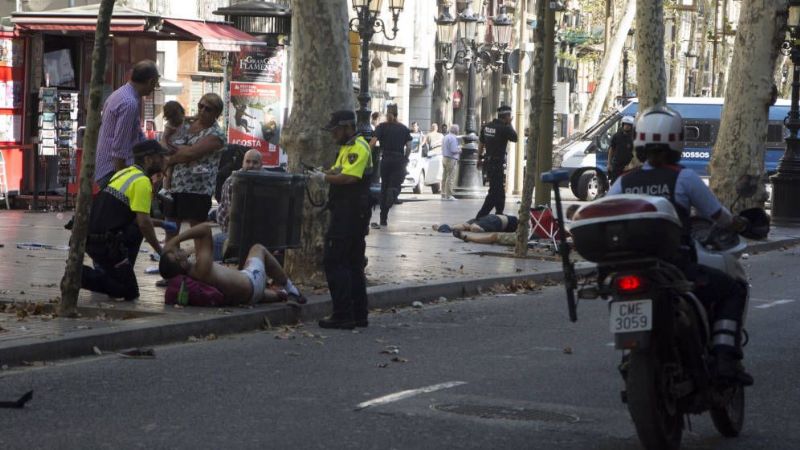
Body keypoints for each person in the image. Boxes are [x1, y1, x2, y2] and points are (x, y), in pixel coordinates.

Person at [607, 104, 752, 385]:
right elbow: (718, 216)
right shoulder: (684, 178)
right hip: (678, 268)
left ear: (639, 141)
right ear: (677, 140)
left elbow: (605, 211)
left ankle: (629, 356)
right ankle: (725, 357)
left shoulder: (624, 182)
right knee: (733, 290)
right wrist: (740, 224)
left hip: (634, 268)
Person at [81, 140, 174, 301]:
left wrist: (162, 224)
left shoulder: (125, 173)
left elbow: (129, 214)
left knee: (118, 284)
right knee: (129, 291)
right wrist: (161, 251)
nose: (164, 160)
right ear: (148, 160)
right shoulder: (142, 182)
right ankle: (81, 275)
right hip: (106, 244)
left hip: (92, 238)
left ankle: (110, 271)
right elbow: (143, 223)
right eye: (160, 157)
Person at [308, 110, 373, 329]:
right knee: (353, 263)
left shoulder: (358, 146)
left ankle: (343, 314)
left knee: (335, 260)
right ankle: (358, 314)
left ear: (348, 127)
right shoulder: (347, 147)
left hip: (350, 214)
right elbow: (340, 170)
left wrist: (324, 177)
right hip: (350, 212)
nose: (333, 134)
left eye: (335, 130)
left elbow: (349, 177)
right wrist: (323, 171)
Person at [158, 223, 305, 305]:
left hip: (246, 297)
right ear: (182, 265)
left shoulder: (193, 274)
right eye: (176, 253)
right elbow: (205, 229)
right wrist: (175, 240)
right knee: (258, 248)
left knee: (273, 294)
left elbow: (198, 244)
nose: (177, 249)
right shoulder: (201, 268)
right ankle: (292, 290)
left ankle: (281, 295)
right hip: (252, 283)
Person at [164, 93, 226, 241]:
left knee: (198, 233)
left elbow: (190, 154)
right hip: (174, 186)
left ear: (217, 113)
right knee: (170, 230)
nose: (202, 110)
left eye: (208, 109)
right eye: (201, 106)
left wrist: (171, 158)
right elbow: (167, 144)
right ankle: (170, 255)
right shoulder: (186, 123)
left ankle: (201, 257)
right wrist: (178, 151)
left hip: (197, 189)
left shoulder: (216, 134)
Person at [95, 60, 160, 189]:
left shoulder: (120, 94)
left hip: (108, 169)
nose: (155, 87)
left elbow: (137, 135)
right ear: (150, 81)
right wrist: (123, 182)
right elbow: (119, 148)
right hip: (113, 171)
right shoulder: (129, 103)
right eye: (156, 83)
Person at [214, 149, 263, 261]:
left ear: (261, 165)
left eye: (255, 162)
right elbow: (234, 216)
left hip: (253, 224)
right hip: (231, 226)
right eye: (248, 161)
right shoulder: (232, 181)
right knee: (219, 241)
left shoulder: (265, 180)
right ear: (242, 163)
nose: (251, 165)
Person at [370, 105, 412, 228]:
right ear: (397, 114)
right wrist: (406, 158)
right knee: (395, 185)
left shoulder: (381, 127)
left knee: (384, 187)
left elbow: (373, 142)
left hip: (386, 159)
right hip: (399, 160)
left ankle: (383, 219)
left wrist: (367, 154)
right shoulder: (404, 128)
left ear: (386, 114)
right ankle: (393, 193)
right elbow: (409, 147)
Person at [476, 105, 518, 219]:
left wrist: (479, 158)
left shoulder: (487, 126)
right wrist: (510, 124)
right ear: (507, 116)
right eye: (509, 116)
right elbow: (515, 138)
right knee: (494, 192)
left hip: (488, 162)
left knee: (500, 190)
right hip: (497, 163)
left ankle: (499, 213)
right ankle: (480, 216)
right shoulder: (505, 128)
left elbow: (481, 143)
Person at [607, 115, 635, 184]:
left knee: (628, 184)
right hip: (616, 165)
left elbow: (636, 153)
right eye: (625, 124)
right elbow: (611, 150)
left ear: (631, 126)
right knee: (614, 183)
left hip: (628, 167)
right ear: (622, 125)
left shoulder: (634, 137)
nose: (627, 126)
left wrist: (630, 165)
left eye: (629, 125)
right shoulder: (616, 136)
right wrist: (609, 164)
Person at [441, 123, 461, 200]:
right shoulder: (453, 138)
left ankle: (443, 194)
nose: (458, 131)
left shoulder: (446, 137)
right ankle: (449, 195)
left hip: (444, 158)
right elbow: (453, 150)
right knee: (451, 177)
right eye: (458, 130)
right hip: (451, 159)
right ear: (455, 130)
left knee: (444, 177)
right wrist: (459, 150)